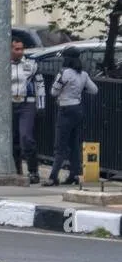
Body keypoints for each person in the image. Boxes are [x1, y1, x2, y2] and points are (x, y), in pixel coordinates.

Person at [48, 46, 97, 186]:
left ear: (66, 58)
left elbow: (53, 92)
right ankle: (74, 175)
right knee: (74, 143)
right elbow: (94, 90)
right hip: (78, 109)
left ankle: (53, 177)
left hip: (65, 109)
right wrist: (79, 91)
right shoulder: (83, 74)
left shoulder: (64, 73)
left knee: (60, 145)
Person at [10, 36, 45, 183]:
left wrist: (41, 105)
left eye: (21, 49)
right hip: (9, 104)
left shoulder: (31, 64)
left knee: (26, 137)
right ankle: (16, 168)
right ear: (10, 49)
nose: (20, 52)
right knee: (12, 139)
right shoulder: (2, 65)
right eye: (16, 49)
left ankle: (33, 171)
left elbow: (40, 85)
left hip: (27, 103)